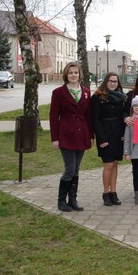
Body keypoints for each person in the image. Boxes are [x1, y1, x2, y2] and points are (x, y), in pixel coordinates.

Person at [50, 62, 93, 212]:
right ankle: (61, 201)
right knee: (70, 169)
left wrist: (91, 135)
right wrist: (55, 138)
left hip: (81, 133)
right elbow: (53, 116)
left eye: (76, 72)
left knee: (76, 169)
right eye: (70, 73)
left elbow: (88, 116)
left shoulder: (86, 92)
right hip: (66, 133)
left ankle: (72, 200)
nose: (73, 75)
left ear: (80, 74)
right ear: (66, 75)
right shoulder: (58, 92)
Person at [91, 73, 127, 206]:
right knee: (109, 164)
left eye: (115, 81)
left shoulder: (121, 97)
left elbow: (123, 115)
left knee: (115, 163)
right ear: (106, 82)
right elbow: (95, 119)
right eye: (111, 81)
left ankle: (114, 192)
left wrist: (124, 133)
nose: (113, 83)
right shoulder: (97, 97)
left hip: (118, 133)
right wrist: (101, 138)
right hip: (105, 133)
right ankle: (106, 193)